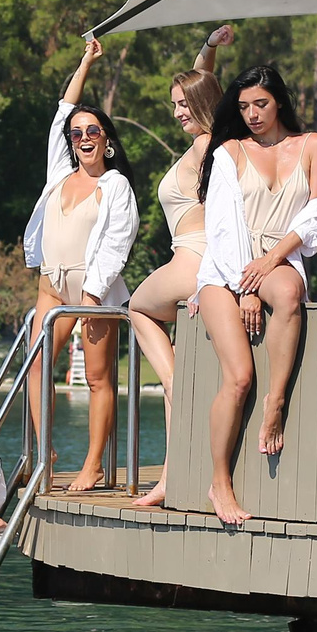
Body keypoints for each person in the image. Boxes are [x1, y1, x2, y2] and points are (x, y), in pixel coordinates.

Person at [192, 65, 317, 526]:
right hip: (225, 268)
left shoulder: (313, 146)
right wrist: (243, 289)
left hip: (279, 256)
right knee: (237, 378)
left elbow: (315, 220)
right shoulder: (229, 150)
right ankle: (220, 482)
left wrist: (271, 264)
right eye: (244, 106)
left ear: (280, 102)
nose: (252, 114)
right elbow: (222, 228)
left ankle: (277, 402)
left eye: (261, 104)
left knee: (290, 290)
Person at [20, 37, 140, 494]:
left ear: (106, 140)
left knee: (97, 378)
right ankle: (46, 450)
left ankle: (92, 465)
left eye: (92, 132)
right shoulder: (59, 175)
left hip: (95, 293)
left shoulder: (115, 186)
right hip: (52, 286)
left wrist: (92, 298)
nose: (83, 138)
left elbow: (116, 244)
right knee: (36, 366)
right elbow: (60, 112)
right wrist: (86, 61)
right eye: (77, 133)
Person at [126, 25, 235, 509]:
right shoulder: (216, 140)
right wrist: (208, 49)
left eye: (182, 105)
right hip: (196, 262)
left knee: (136, 308)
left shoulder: (207, 146)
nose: (176, 114)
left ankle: (176, 384)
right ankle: (170, 474)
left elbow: (228, 212)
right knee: (163, 349)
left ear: (201, 105)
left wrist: (206, 280)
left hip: (192, 257)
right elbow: (203, 81)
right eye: (173, 106)